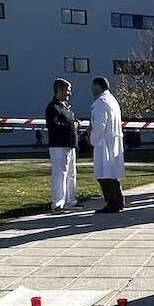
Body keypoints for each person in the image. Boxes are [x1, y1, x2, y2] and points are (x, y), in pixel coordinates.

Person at [89, 76, 126, 213]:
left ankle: (112, 204)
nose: (92, 89)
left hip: (104, 142)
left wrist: (92, 139)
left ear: (98, 86)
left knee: (104, 175)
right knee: (112, 174)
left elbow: (99, 125)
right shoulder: (112, 100)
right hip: (112, 141)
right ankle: (119, 202)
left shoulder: (101, 102)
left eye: (93, 86)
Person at [45, 78, 80, 212]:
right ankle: (58, 203)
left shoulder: (66, 107)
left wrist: (76, 123)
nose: (69, 94)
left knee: (71, 174)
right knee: (60, 175)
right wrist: (71, 125)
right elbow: (54, 125)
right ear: (59, 89)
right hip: (59, 145)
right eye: (67, 90)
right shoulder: (53, 107)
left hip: (70, 145)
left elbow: (72, 121)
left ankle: (71, 200)